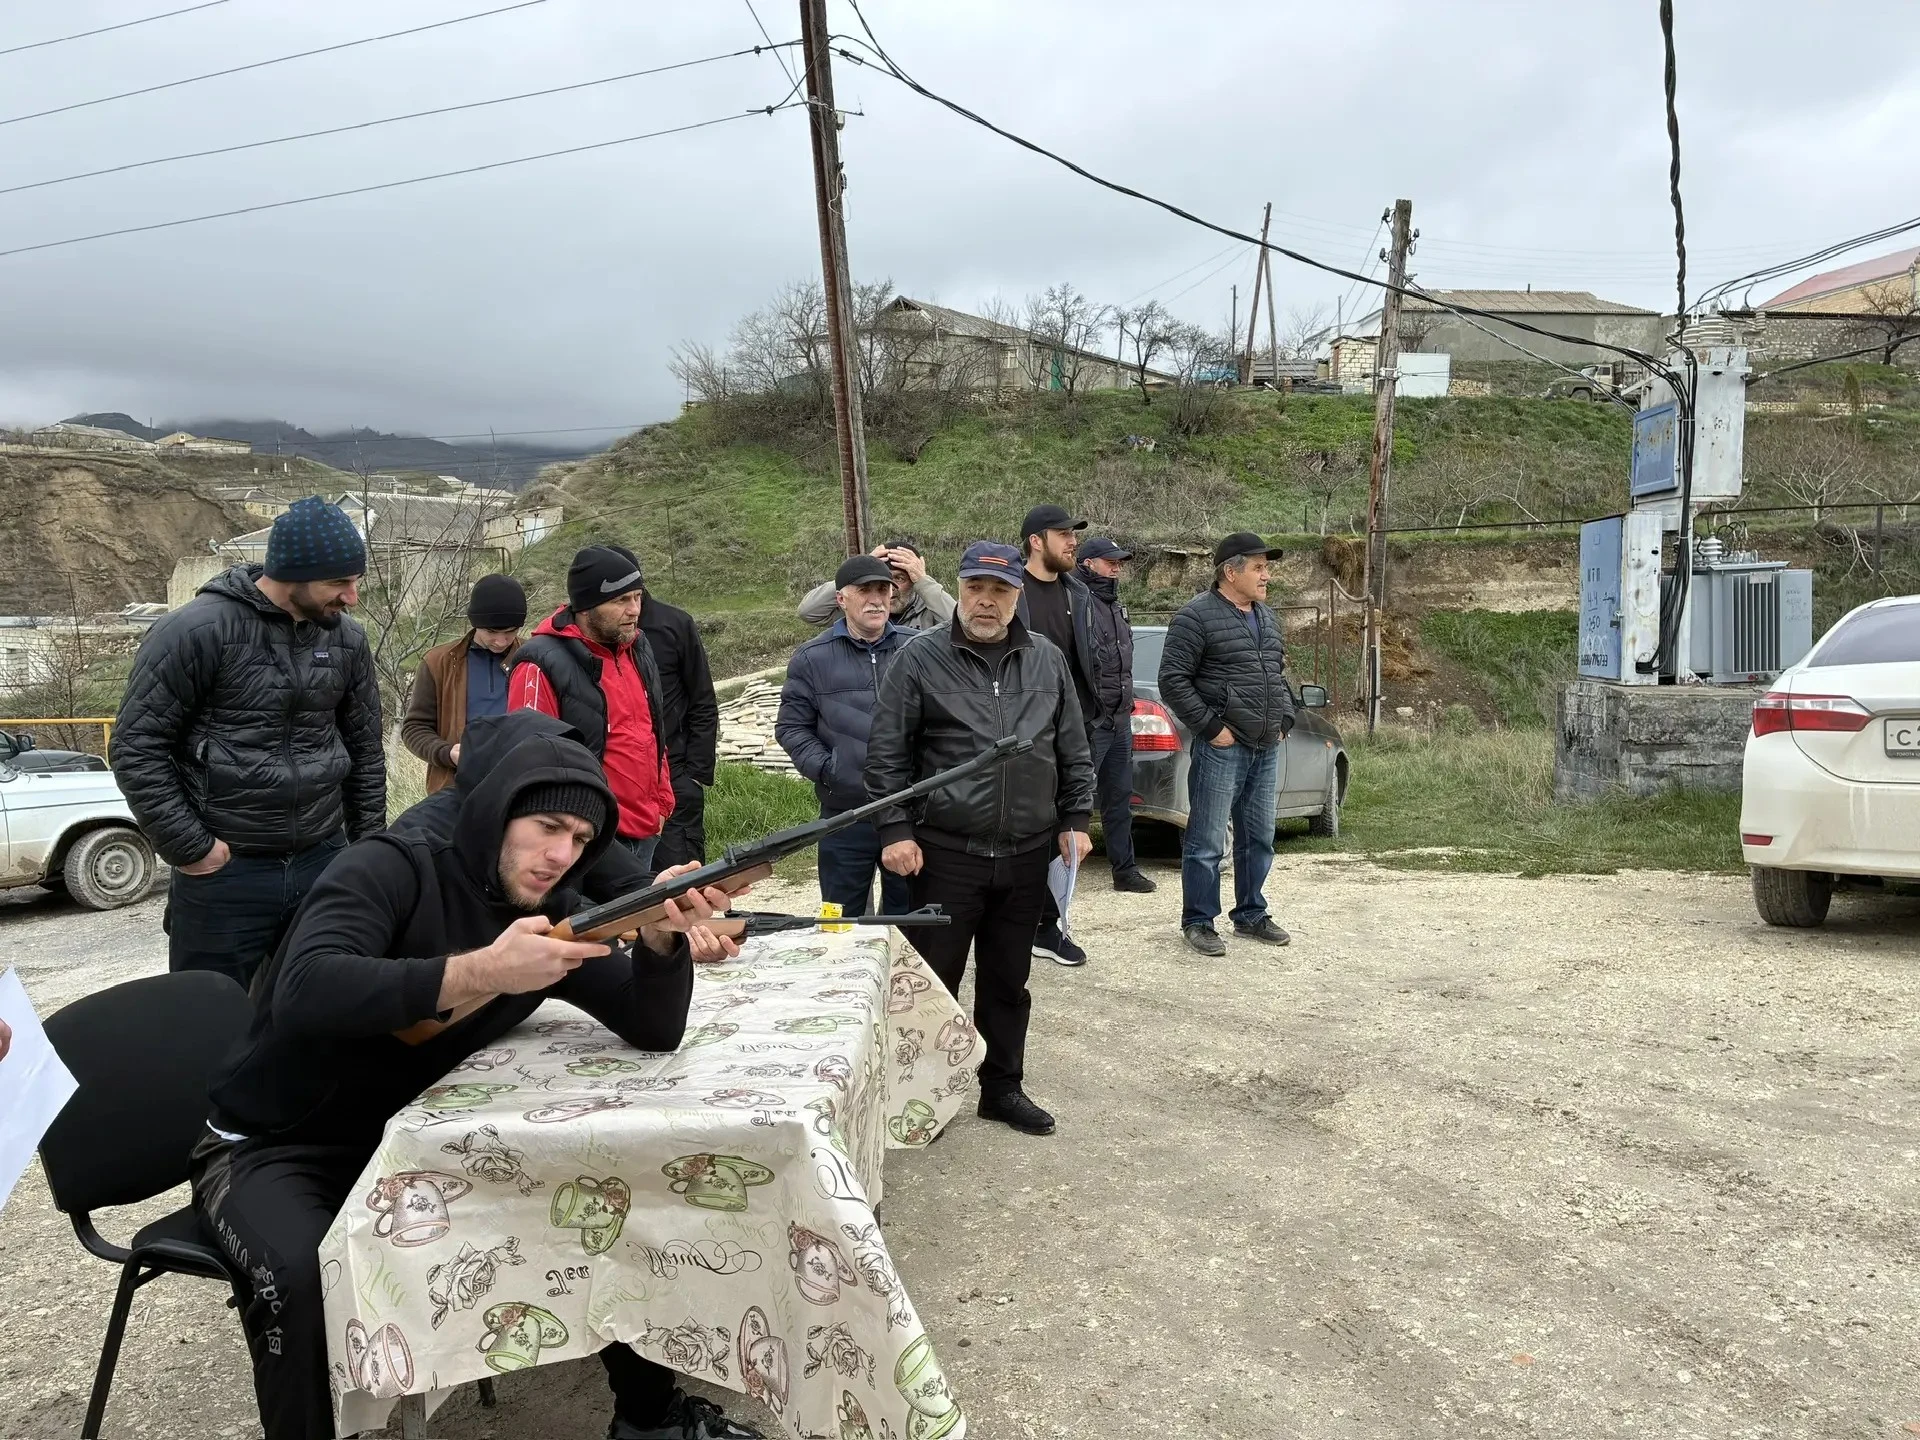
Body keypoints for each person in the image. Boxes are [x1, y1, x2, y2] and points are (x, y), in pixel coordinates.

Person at [192, 724, 763, 1440]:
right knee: (302, 1285)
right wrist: (482, 971)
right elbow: (305, 989)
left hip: (419, 1141)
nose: (561, 855)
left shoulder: (554, 905)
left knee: (596, 1187)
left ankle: (651, 1420)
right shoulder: (391, 864)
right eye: (547, 826)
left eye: (581, 839)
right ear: (495, 812)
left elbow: (651, 1027)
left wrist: (659, 937)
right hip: (275, 1143)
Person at [865, 541, 1096, 1137]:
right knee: (931, 985)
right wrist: (894, 830)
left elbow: (1071, 747)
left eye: (1000, 591)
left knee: (1007, 980)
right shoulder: (919, 659)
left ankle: (1002, 1089)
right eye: (975, 589)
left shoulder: (1046, 661)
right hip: (945, 852)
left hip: (1025, 853)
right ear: (959, 590)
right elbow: (886, 753)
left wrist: (1075, 821)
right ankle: (924, 1099)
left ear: (1018, 595)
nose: (986, 602)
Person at [114, 495, 385, 988]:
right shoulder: (194, 630)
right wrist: (192, 848)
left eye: (355, 581)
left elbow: (365, 749)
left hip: (324, 861)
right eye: (339, 583)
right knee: (208, 1021)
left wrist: (366, 851)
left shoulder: (347, 639)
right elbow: (137, 746)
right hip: (226, 874)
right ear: (291, 574)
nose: (352, 597)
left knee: (315, 1012)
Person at [1158, 532, 1297, 957]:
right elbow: (1173, 681)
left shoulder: (1268, 618)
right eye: (1258, 567)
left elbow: (1278, 674)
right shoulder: (1195, 617)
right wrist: (1211, 728)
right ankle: (1199, 921)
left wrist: (1285, 718)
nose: (1266, 575)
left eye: (1266, 567)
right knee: (1207, 839)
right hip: (1223, 747)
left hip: (1265, 747)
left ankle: (1251, 914)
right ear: (1230, 571)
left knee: (1259, 837)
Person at [509, 545, 675, 873]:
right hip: (589, 839)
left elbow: (652, 731)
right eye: (620, 600)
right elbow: (530, 763)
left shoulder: (637, 648)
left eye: (637, 596)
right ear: (586, 607)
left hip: (645, 828)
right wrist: (575, 831)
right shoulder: (539, 664)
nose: (634, 610)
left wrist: (662, 803)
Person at [775, 554, 914, 916]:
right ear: (841, 599)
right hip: (845, 815)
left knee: (912, 921)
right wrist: (829, 769)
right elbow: (791, 727)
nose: (875, 599)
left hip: (911, 810)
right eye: (864, 590)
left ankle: (903, 976)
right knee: (842, 921)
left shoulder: (918, 648)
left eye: (883, 589)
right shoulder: (812, 657)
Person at [1014, 503, 1103, 968]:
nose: (1073, 542)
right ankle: (1021, 924)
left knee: (1062, 829)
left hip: (1069, 726)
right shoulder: (1009, 590)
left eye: (1074, 534)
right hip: (1018, 731)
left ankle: (1047, 927)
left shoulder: (1078, 594)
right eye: (1064, 534)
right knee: (1025, 829)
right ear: (1036, 540)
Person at [1074, 537, 1154, 894]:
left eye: (1119, 561)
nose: (1117, 566)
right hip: (1091, 721)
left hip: (1120, 719)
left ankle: (1125, 870)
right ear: (1089, 563)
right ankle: (1057, 875)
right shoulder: (1076, 601)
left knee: (1119, 799)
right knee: (1072, 800)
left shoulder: (1115, 604)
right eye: (1110, 561)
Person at [400, 573, 527, 793]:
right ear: (475, 623)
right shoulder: (438, 662)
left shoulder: (534, 658)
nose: (501, 641)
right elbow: (414, 728)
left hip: (521, 786)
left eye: (510, 632)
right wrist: (448, 753)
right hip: (456, 790)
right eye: (492, 632)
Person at [638, 567, 719, 870]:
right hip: (620, 789)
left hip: (676, 777)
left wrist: (694, 774)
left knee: (683, 888)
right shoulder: (593, 636)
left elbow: (702, 699)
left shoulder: (673, 624)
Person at [797, 538, 955, 632]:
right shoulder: (859, 607)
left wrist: (924, 582)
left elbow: (963, 626)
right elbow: (808, 612)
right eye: (884, 581)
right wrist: (857, 571)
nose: (891, 592)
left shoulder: (931, 607)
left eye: (899, 579)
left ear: (914, 581)